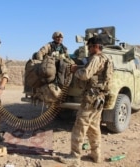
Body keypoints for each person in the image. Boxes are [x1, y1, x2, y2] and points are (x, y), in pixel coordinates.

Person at [59, 36, 110, 166]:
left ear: (96, 46)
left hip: (90, 99)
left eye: (90, 46)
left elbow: (85, 74)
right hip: (99, 98)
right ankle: (96, 154)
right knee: (94, 128)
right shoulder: (106, 58)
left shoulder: (96, 58)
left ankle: (74, 157)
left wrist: (76, 70)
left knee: (79, 127)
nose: (88, 49)